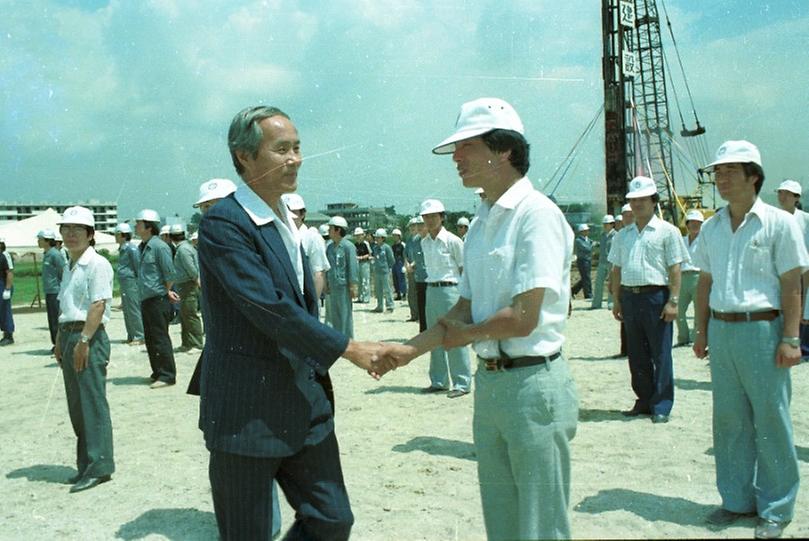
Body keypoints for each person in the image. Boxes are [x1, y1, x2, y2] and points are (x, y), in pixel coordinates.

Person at [376, 97, 578, 539]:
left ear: (503, 150)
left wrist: (465, 336)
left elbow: (525, 317)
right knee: (502, 520)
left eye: (465, 147)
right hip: (492, 386)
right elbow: (464, 306)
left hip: (533, 384)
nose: (457, 159)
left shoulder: (536, 216)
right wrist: (408, 351)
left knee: (541, 525)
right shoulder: (484, 220)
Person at [198, 104, 383, 540]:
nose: (295, 159)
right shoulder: (225, 223)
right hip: (247, 414)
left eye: (298, 148)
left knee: (332, 518)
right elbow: (270, 307)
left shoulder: (288, 220)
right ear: (244, 156)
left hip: (304, 403)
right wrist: (348, 347)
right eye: (282, 149)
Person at [692, 140, 806, 539]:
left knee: (770, 419)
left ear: (753, 176)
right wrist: (702, 330)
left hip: (763, 329)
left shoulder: (780, 222)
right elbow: (704, 282)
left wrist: (791, 337)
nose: (720, 179)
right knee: (729, 421)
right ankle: (736, 500)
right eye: (717, 173)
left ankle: (776, 507)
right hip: (722, 330)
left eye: (729, 172)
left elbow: (793, 284)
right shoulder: (710, 226)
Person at [609, 176, 689, 423]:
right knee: (636, 354)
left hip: (656, 297)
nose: (638, 205)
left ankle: (662, 404)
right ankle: (643, 400)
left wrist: (673, 301)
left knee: (661, 353)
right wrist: (617, 300)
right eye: (634, 200)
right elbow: (616, 270)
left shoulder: (668, 232)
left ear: (654, 201)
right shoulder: (622, 236)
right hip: (630, 298)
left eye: (643, 199)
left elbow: (675, 269)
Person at [54, 206, 115, 493]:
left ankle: (99, 467)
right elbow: (66, 306)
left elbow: (98, 304)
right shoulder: (70, 264)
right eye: (66, 229)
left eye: (78, 229)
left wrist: (84, 341)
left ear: (91, 235)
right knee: (77, 406)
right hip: (70, 336)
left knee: (91, 403)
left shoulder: (97, 264)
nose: (71, 234)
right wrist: (59, 342)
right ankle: (85, 465)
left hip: (87, 337)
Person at [419, 198, 471, 398]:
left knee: (455, 335)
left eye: (434, 216)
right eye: (426, 217)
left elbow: (464, 268)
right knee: (434, 336)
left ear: (442, 217)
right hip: (431, 290)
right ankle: (439, 381)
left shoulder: (453, 241)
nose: (430, 220)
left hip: (451, 290)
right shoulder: (424, 243)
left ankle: (461, 382)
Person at [135, 209, 179, 389]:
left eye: (138, 223)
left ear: (148, 226)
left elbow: (169, 273)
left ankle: (168, 375)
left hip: (157, 299)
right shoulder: (142, 246)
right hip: (147, 299)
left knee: (160, 338)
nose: (135, 226)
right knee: (151, 338)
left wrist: (165, 291)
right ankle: (158, 371)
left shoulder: (159, 247)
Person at [775, 179, 809, 358]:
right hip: (777, 273)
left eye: (787, 193)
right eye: (780, 192)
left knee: (802, 308)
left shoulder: (805, 220)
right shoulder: (773, 219)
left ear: (796, 197)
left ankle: (800, 345)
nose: (782, 196)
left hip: (801, 273)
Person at [283, 193, 330, 298]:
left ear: (302, 214)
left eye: (293, 212)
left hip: (304, 298)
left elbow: (319, 274)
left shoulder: (312, 238)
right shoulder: (279, 236)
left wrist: (312, 306)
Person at [171, 224, 204, 353]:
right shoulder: (185, 247)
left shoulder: (183, 250)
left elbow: (191, 268)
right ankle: (187, 343)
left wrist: (197, 282)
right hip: (186, 284)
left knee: (190, 314)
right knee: (185, 314)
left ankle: (196, 344)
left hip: (188, 284)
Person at [325, 216, 358, 338]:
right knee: (335, 314)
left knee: (345, 314)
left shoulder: (348, 246)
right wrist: (326, 283)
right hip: (333, 285)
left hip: (344, 286)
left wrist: (353, 285)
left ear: (338, 230)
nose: (328, 231)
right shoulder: (329, 247)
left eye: (330, 228)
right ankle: (339, 340)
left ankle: (348, 339)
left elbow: (353, 266)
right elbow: (327, 267)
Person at [675, 209, 704, 346]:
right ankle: (683, 337)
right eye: (691, 223)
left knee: (699, 311)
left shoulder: (705, 241)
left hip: (698, 276)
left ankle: (694, 338)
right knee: (678, 310)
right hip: (683, 277)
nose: (694, 226)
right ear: (687, 224)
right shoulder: (682, 241)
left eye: (697, 223)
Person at [114, 223, 144, 346]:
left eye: (116, 234)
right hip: (125, 282)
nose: (115, 237)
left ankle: (139, 335)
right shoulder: (122, 249)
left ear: (122, 235)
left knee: (133, 309)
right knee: (127, 310)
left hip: (131, 282)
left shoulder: (131, 249)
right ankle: (131, 335)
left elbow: (138, 266)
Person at [38, 228, 66, 351]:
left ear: (47, 240)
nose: (38, 242)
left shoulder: (55, 254)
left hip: (56, 291)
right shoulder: (47, 254)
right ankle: (56, 344)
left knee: (56, 319)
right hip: (49, 291)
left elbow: (63, 272)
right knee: (52, 319)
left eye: (40, 239)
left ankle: (60, 344)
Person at [591, 215, 616, 309]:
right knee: (598, 283)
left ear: (612, 224)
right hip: (602, 262)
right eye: (604, 224)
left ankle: (611, 303)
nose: (605, 226)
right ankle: (596, 304)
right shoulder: (602, 235)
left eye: (607, 224)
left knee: (612, 283)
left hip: (612, 262)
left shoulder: (616, 235)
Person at [371, 228, 395, 313]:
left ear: (383, 238)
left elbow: (391, 260)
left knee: (387, 289)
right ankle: (379, 306)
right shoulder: (375, 248)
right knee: (378, 290)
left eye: (378, 237)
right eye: (376, 237)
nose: (376, 239)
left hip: (385, 271)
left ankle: (390, 306)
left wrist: (389, 269)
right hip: (377, 271)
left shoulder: (387, 248)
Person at [403, 218, 420, 322]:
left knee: (420, 293)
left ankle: (421, 315)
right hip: (410, 270)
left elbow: (421, 255)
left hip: (419, 270)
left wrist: (412, 264)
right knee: (411, 294)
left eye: (414, 225)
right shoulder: (409, 240)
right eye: (411, 226)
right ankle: (414, 314)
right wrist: (407, 264)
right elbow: (405, 254)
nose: (412, 227)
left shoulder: (421, 239)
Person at [571, 224, 593, 299]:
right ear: (581, 232)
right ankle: (588, 295)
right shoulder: (578, 241)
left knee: (585, 278)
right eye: (585, 231)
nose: (587, 232)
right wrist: (592, 245)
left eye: (587, 230)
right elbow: (587, 248)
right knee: (586, 278)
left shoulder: (587, 239)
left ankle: (573, 290)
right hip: (582, 261)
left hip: (588, 260)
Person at [0, 238, 15, 346]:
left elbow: (9, 272)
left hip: (3, 284)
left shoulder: (5, 255)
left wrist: (7, 289)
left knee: (5, 310)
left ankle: (8, 335)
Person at [354, 227, 372, 303]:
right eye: (357, 235)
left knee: (365, 280)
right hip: (358, 263)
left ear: (362, 235)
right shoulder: (355, 245)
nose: (358, 237)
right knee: (359, 281)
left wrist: (361, 257)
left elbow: (369, 254)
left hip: (365, 263)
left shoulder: (365, 244)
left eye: (359, 235)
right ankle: (360, 297)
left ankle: (366, 297)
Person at [391, 228, 407, 301]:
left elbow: (405, 255)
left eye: (396, 236)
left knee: (402, 279)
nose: (394, 237)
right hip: (394, 263)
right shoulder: (393, 246)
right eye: (393, 236)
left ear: (399, 236)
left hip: (401, 263)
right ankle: (398, 294)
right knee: (395, 279)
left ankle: (404, 294)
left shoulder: (403, 245)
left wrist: (404, 265)